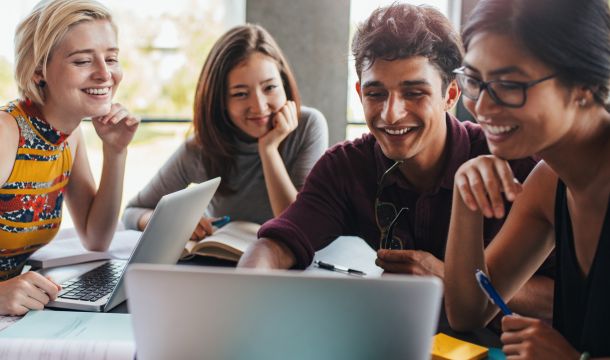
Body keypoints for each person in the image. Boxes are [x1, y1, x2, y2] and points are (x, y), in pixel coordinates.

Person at [238, 3, 552, 320]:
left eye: (414, 93)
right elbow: (276, 245)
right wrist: (243, 300)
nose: (391, 114)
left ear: (451, 95)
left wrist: (448, 278)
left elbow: (568, 298)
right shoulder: (345, 166)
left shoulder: (516, 162)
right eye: (376, 94)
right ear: (360, 93)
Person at [443, 0, 610, 358]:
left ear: (585, 83)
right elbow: (468, 312)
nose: (482, 108)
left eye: (508, 84)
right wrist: (465, 195)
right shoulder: (549, 183)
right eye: (474, 80)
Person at [122, 24, 328, 240]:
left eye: (269, 88)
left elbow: (297, 225)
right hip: (222, 266)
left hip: (289, 269)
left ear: (284, 84)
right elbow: (132, 212)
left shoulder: (308, 126)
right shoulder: (201, 149)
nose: (259, 106)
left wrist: (268, 150)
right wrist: (176, 223)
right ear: (220, 101)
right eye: (240, 94)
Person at [0, 0, 139, 315]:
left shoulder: (69, 136)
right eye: (82, 61)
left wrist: (115, 152)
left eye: (112, 58)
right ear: (39, 71)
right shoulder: (6, 133)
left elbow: (96, 238)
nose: (105, 74)